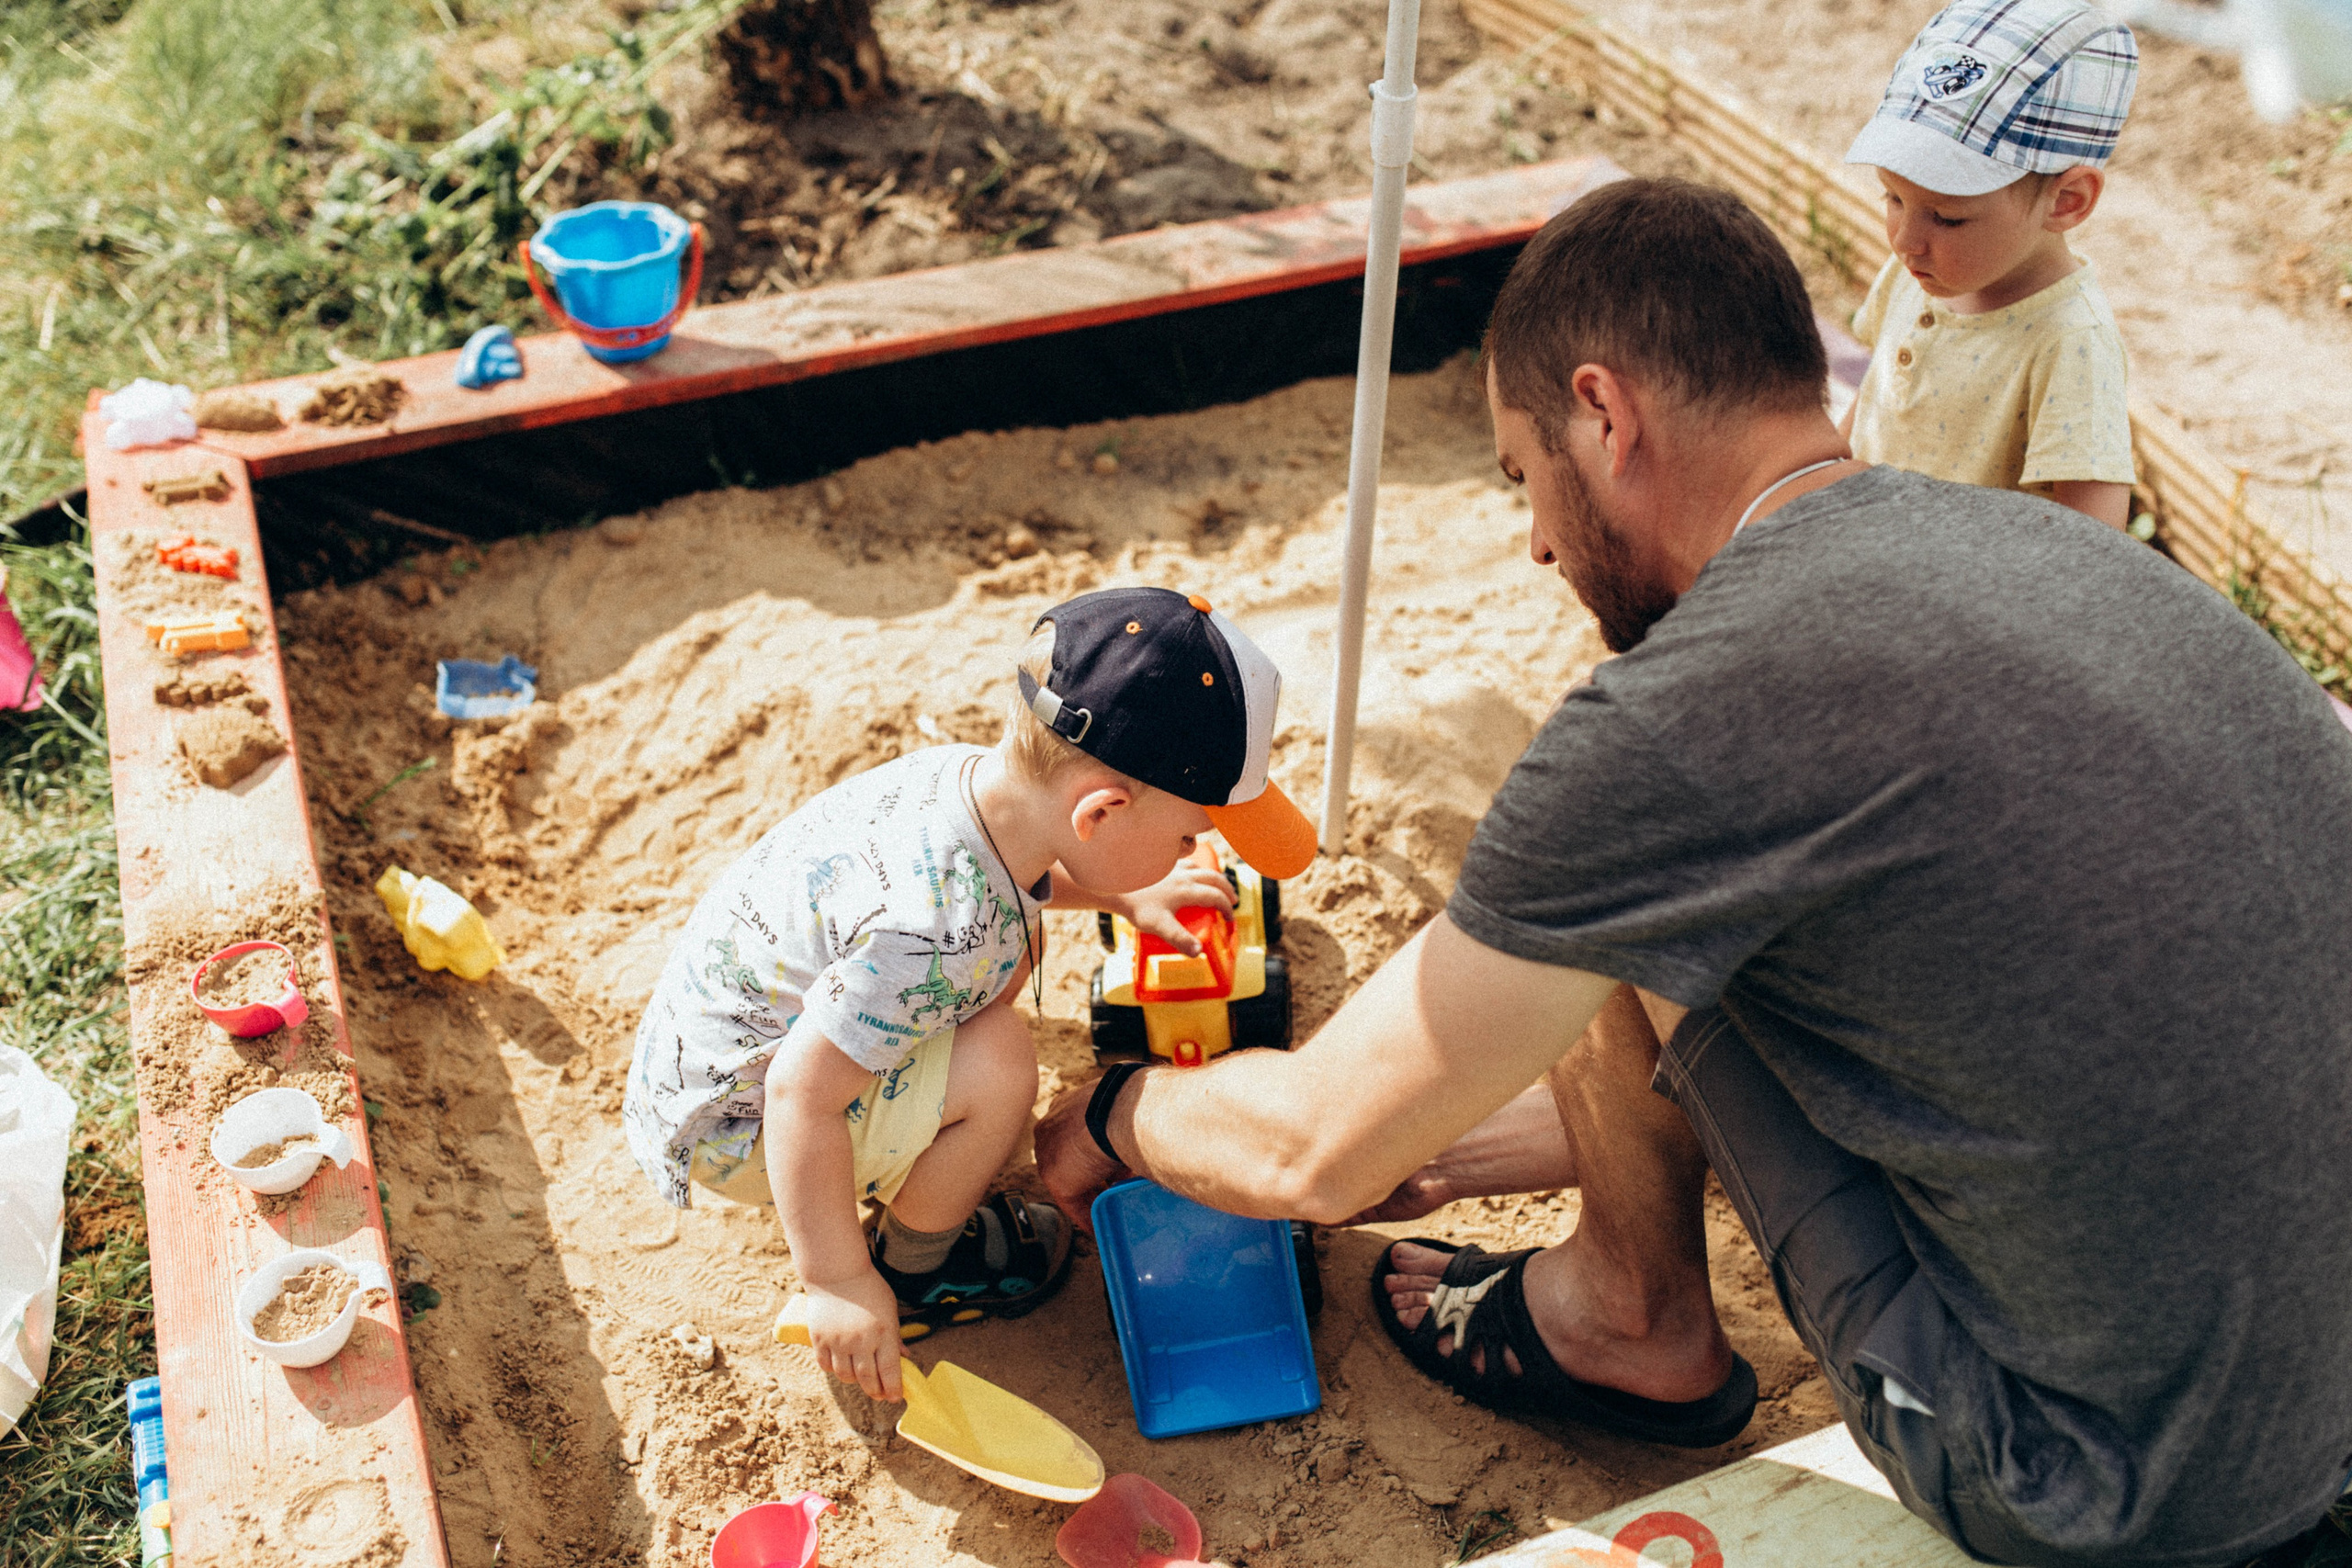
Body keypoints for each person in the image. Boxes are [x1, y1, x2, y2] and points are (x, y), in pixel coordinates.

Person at [1033, 177, 2352, 1566]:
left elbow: (1307, 1142)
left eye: (1521, 475)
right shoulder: (2057, 554)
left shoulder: (1684, 720)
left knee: (1623, 891)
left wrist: (1119, 1109)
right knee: (1704, 908)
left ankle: (1630, 1317)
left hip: (2113, 1485)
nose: (1538, 539)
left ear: (1605, 415)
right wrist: (1468, 1142)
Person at [624, 586, 1316, 1404]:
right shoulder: (931, 928)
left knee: (1001, 967)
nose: (1186, 853)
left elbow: (1013, 874)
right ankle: (919, 1267)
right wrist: (838, 1281)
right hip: (741, 1125)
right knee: (1000, 1067)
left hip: (718, 1044)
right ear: (1102, 811)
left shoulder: (977, 786)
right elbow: (799, 1093)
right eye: (1184, 838)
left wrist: (1125, 895)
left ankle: (908, 1169)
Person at [1840, 0, 2141, 530]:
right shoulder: (1919, 269)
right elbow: (1874, 401)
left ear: (2066, 201)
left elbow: (2095, 541)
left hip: (1960, 604)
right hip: (1866, 556)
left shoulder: (2070, 341)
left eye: (1949, 218)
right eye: (1893, 198)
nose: (1906, 239)